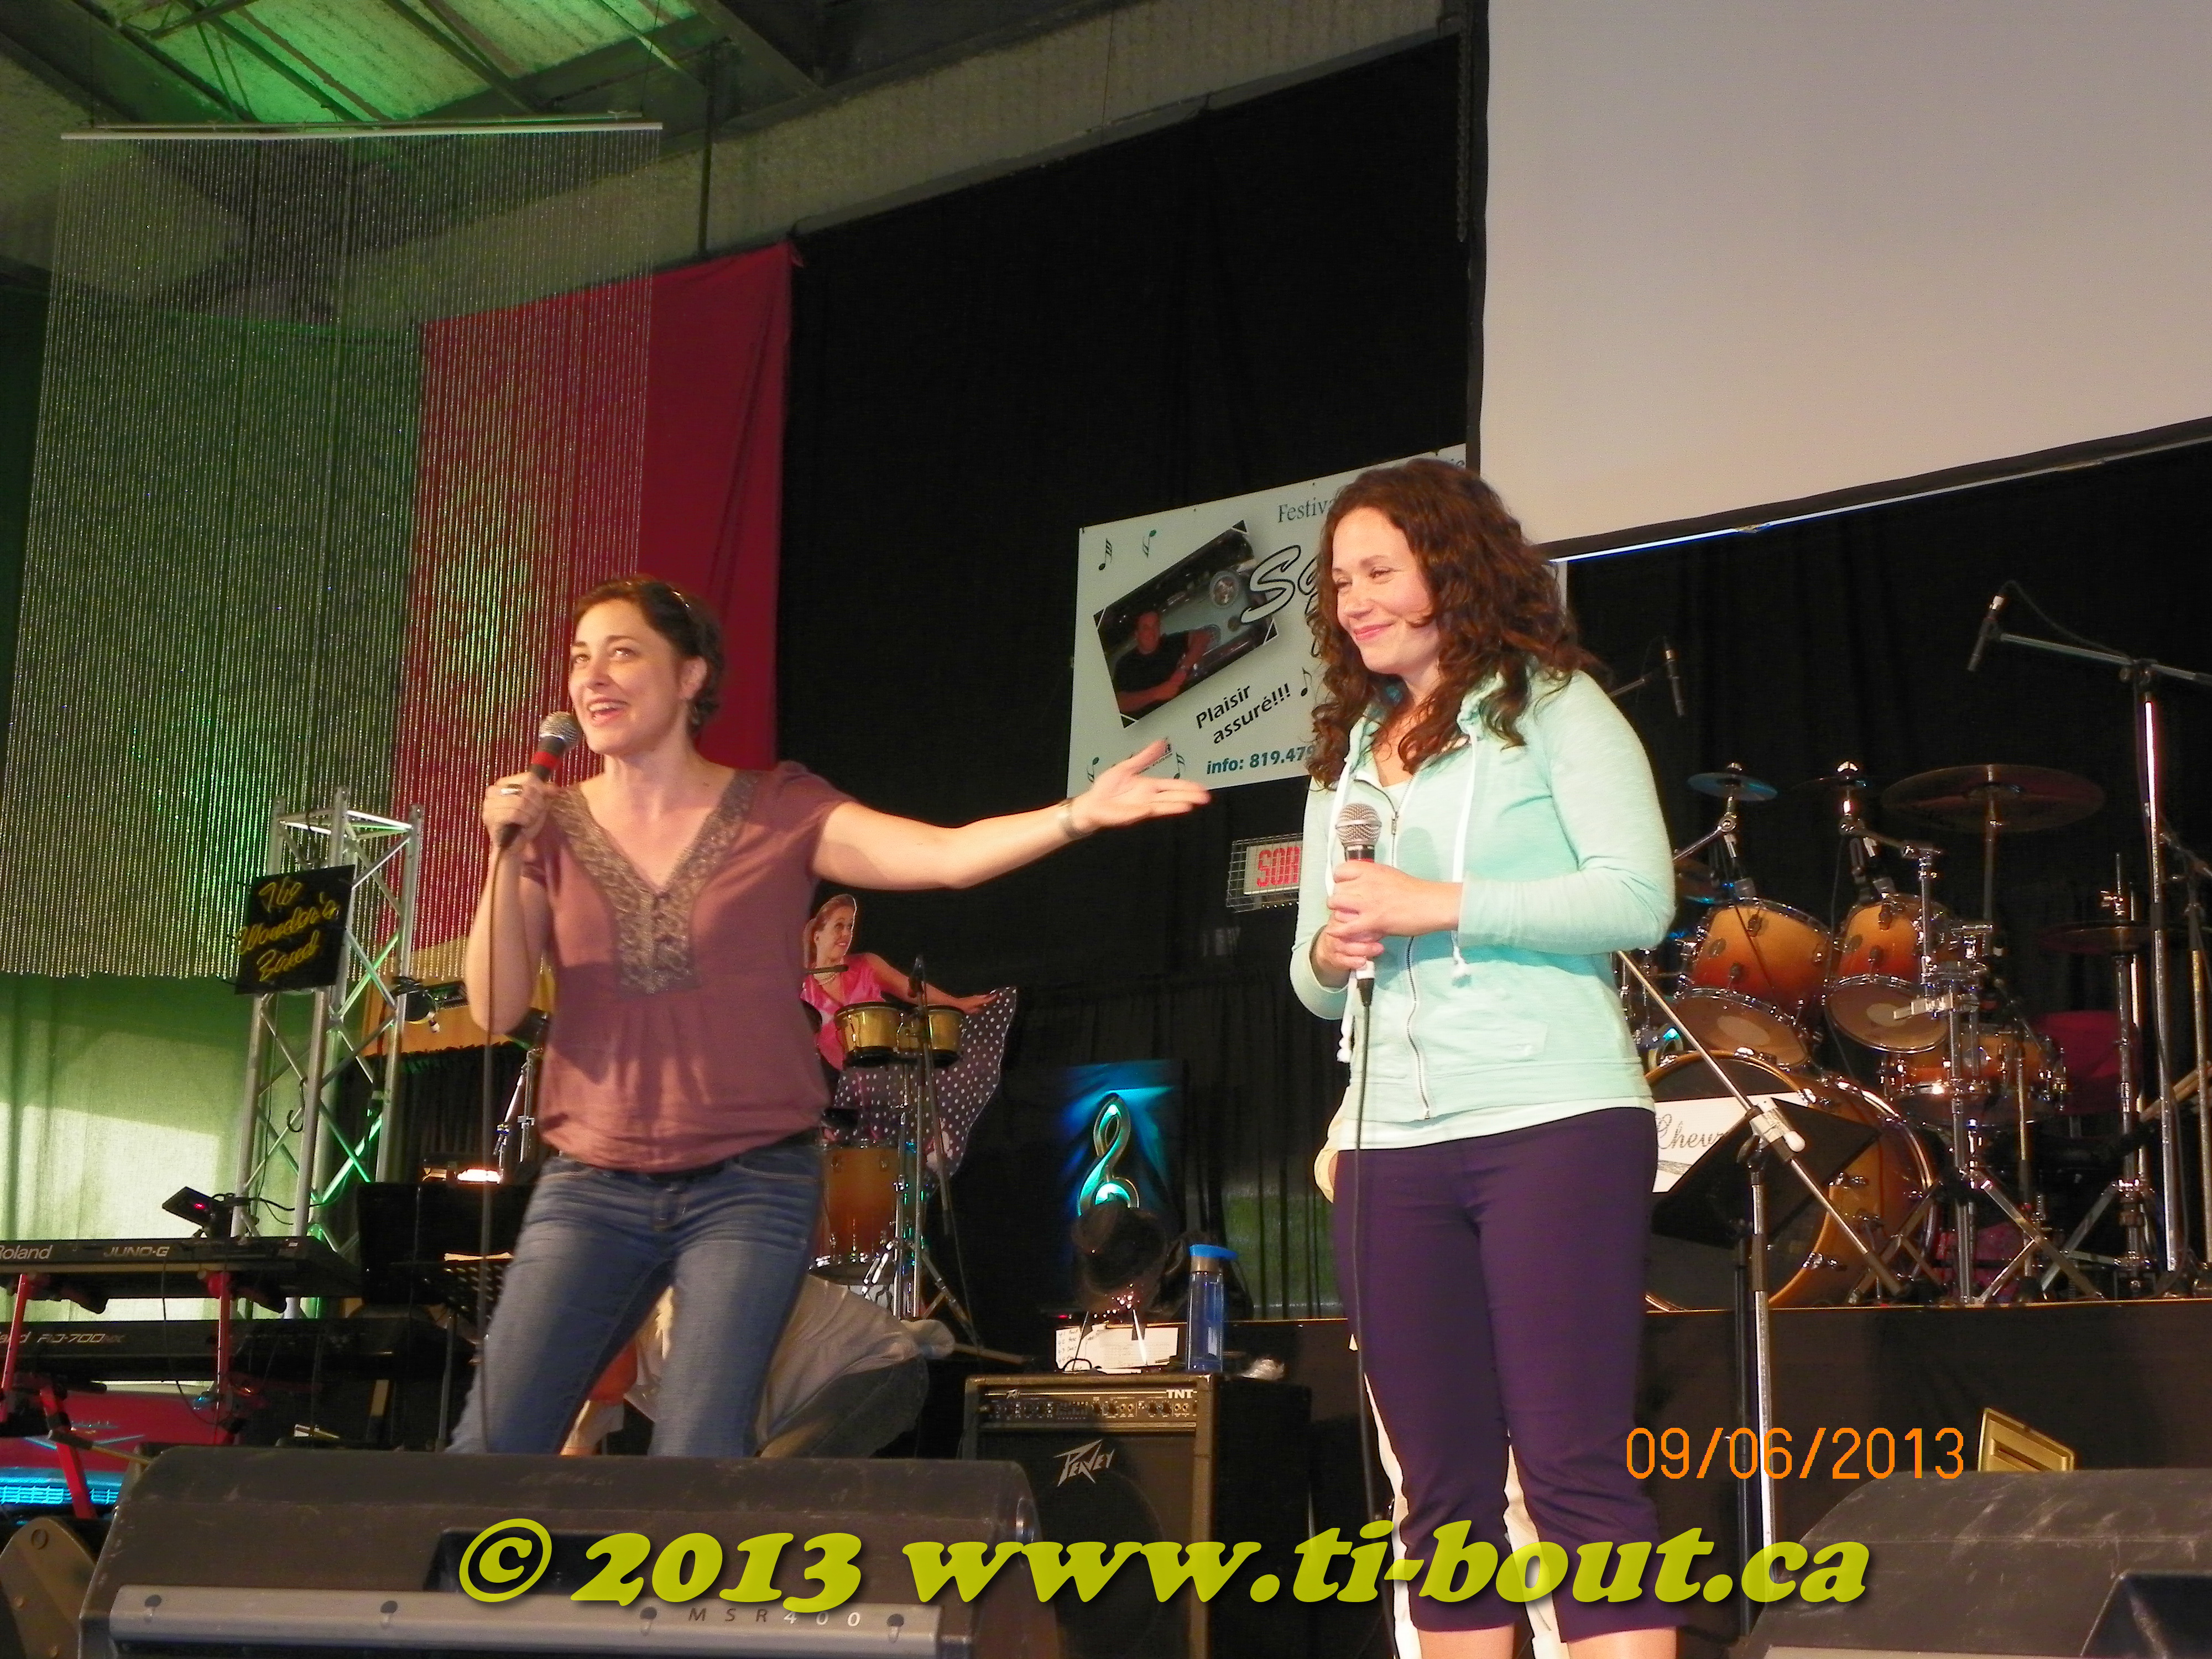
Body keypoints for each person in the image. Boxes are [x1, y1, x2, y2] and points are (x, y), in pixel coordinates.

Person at [453, 574, 1206, 1457]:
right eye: (582, 657)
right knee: (491, 1446)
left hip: (747, 1183)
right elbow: (497, 1004)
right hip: (594, 1180)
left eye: (623, 653)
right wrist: (505, 853)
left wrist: (1076, 816)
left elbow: (945, 857)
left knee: (697, 1452)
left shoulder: (775, 809)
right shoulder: (550, 827)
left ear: (692, 677)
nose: (593, 677)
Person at [1287, 460, 1677, 1658]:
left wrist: (1440, 904)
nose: (1354, 600)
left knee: (1570, 1473)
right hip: (1388, 1145)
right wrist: (1333, 949)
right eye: (1340, 581)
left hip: (1550, 1121)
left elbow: (1636, 898)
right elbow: (1308, 977)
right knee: (1440, 1496)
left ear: (1452, 571)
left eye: (1379, 571)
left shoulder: (1551, 706)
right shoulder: (1350, 750)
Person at [564, 1276, 951, 1459]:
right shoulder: (597, 1369)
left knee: (769, 1490)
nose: (580, 1381)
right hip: (791, 1405)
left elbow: (722, 1461)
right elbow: (572, 1466)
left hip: (878, 1366)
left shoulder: (687, 1329)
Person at [800, 893, 989, 1073]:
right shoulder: (802, 985)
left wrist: (957, 1003)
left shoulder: (867, 965)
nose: (846, 934)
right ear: (817, 936)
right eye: (839, 926)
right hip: (838, 1080)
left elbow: (911, 989)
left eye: (850, 926)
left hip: (887, 1071)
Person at [1112, 611, 1212, 716]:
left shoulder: (1169, 644)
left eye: (1155, 626)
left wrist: (1183, 669)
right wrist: (1157, 693)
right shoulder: (1126, 664)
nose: (1152, 632)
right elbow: (1121, 703)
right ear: (1137, 634)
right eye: (1146, 628)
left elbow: (1203, 637)